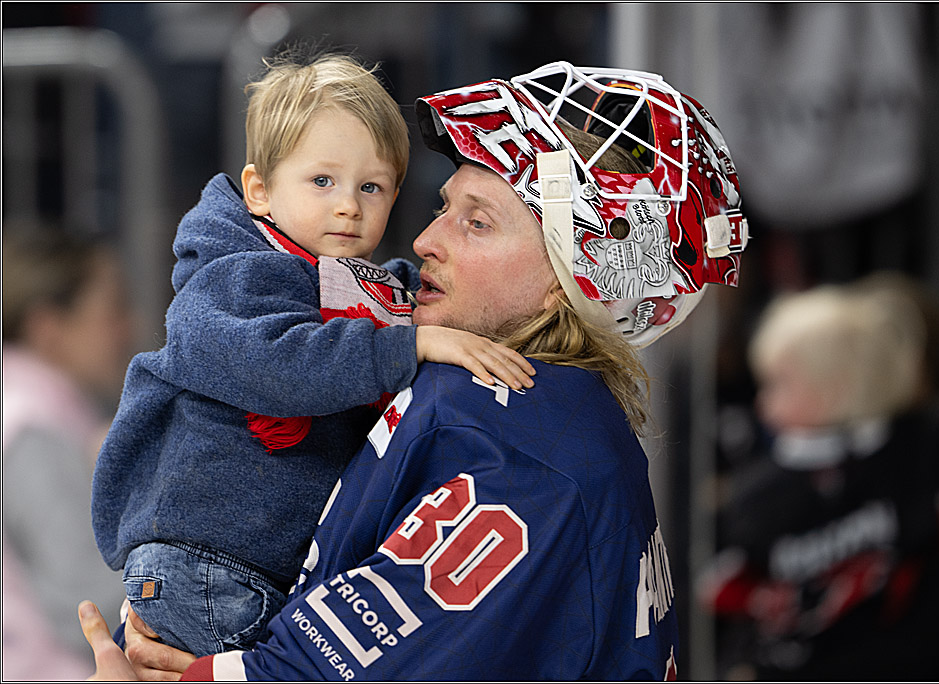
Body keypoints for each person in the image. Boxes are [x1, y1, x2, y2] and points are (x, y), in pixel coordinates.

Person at [81, 60, 750, 680]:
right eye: (442, 208)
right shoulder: (538, 413)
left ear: (569, 277)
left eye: (477, 222)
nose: (426, 241)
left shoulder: (522, 450)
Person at [91, 50, 536, 658]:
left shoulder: (344, 278)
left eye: (371, 186)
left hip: (255, 570)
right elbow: (275, 362)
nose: (348, 205)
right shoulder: (231, 276)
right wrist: (410, 344)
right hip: (208, 565)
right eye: (322, 181)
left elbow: (395, 303)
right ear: (260, 190)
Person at [699, 284, 939, 680]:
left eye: (778, 381)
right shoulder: (758, 496)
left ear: (835, 386)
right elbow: (730, 609)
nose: (762, 403)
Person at [2, 230, 135, 679]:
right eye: (111, 308)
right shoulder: (29, 426)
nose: (127, 328)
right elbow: (84, 599)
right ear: (47, 328)